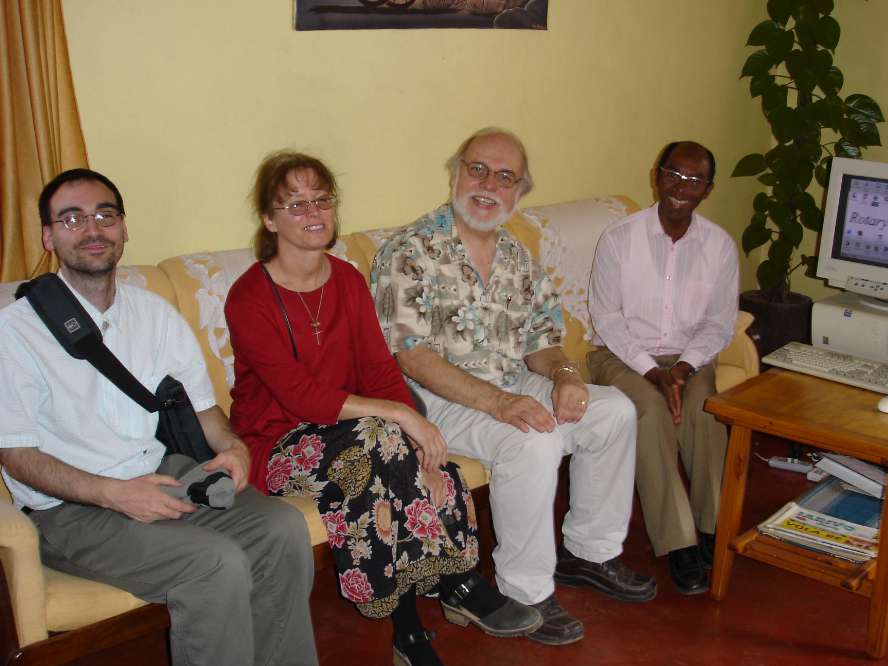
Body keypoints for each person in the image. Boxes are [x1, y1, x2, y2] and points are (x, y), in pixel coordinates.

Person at [225, 151, 541, 666]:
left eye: (322, 200)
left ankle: (410, 631)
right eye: (295, 204)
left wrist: (419, 441)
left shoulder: (348, 280)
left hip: (357, 439)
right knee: (380, 436)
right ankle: (452, 587)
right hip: (277, 446)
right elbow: (302, 397)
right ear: (269, 219)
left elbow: (378, 371)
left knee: (386, 455)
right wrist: (403, 418)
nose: (313, 213)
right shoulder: (248, 298)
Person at [0, 169, 318, 666]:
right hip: (70, 509)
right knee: (215, 564)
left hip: (159, 474)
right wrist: (114, 494)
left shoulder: (155, 314)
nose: (92, 229)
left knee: (281, 528)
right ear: (49, 236)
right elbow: (16, 455)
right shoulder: (16, 332)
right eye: (72, 219)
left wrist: (234, 448)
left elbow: (205, 411)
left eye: (105, 215)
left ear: (124, 228)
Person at [370, 128, 657, 647]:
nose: (489, 185)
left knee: (614, 410)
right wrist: (501, 404)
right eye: (478, 169)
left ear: (520, 191)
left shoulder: (515, 255)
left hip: (508, 380)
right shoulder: (408, 251)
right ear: (455, 172)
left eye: (505, 177)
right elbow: (410, 355)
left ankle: (589, 554)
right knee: (531, 440)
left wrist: (565, 377)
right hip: (433, 400)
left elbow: (542, 343)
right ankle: (526, 591)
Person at [587, 141, 738, 595]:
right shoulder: (620, 239)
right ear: (657, 176)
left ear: (708, 189)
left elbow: (719, 323)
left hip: (689, 357)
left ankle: (712, 527)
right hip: (621, 356)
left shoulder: (719, 246)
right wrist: (655, 374)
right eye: (674, 174)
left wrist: (684, 369)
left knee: (705, 411)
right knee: (650, 413)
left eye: (694, 180)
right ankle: (679, 542)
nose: (681, 187)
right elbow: (607, 317)